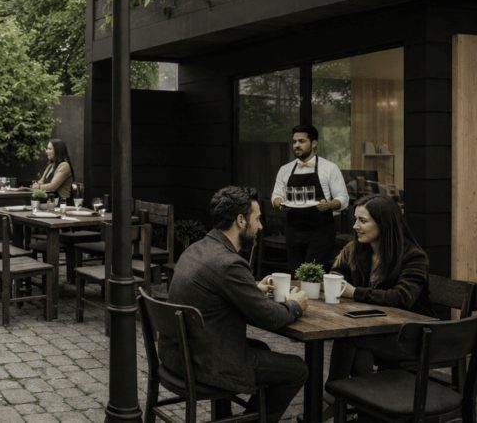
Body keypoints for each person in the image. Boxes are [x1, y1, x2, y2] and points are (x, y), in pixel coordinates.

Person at [164, 186, 308, 423]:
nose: (260, 227)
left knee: (262, 348)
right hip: (204, 363)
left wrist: (251, 288)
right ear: (241, 220)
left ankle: (231, 418)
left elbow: (217, 288)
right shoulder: (229, 263)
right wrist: (295, 305)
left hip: (177, 355)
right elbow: (269, 318)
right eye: (257, 219)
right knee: (298, 369)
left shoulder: (197, 248)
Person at [327, 194, 432, 380]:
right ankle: (354, 393)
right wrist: (334, 279)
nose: (355, 226)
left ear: (384, 224)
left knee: (351, 337)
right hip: (376, 327)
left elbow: (401, 298)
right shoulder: (357, 249)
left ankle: (337, 390)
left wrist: (355, 292)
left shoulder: (413, 257)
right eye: (355, 220)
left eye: (363, 221)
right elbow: (336, 272)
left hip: (410, 336)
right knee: (352, 337)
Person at [271, 124, 349, 272]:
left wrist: (328, 205)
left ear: (314, 143)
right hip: (293, 231)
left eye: (301, 141)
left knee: (314, 275)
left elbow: (343, 198)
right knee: (295, 274)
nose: (296, 145)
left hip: (320, 231)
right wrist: (279, 203)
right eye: (294, 142)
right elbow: (276, 196)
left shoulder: (329, 168)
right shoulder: (285, 169)